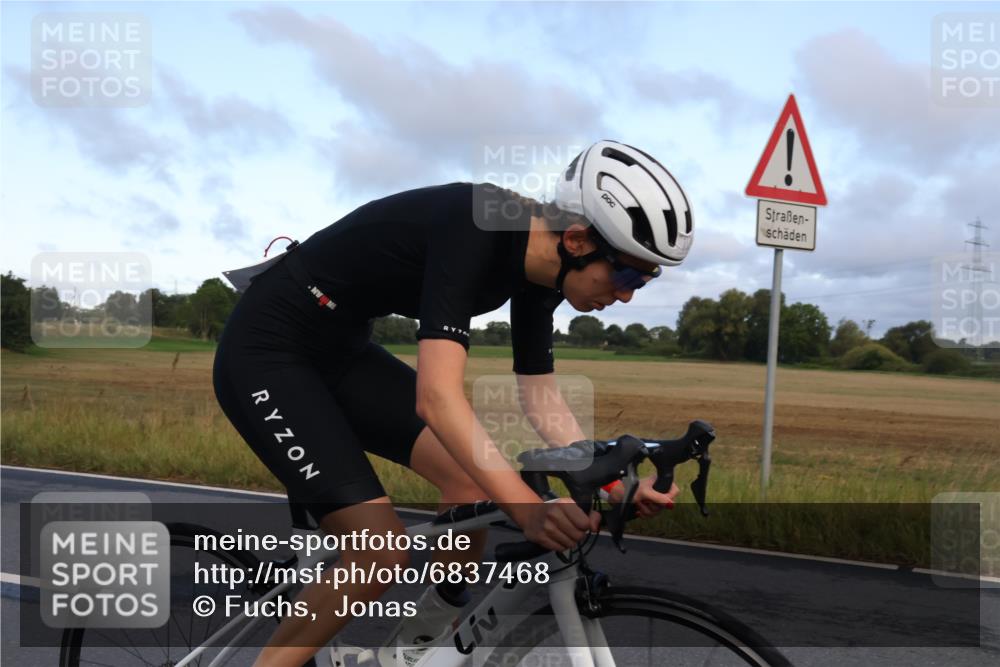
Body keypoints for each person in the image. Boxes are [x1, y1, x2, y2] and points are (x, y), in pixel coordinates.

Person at [212, 140, 695, 666]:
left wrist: (613, 482)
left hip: (341, 350)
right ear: (578, 240)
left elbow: (541, 398)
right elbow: (437, 399)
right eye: (626, 275)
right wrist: (528, 510)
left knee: (470, 486)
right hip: (267, 350)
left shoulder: (544, 271)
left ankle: (415, 648)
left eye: (645, 281)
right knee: (377, 550)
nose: (627, 295)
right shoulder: (475, 225)